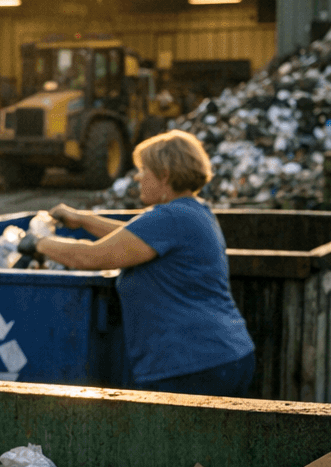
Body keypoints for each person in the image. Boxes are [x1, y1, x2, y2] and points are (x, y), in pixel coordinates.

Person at [19, 129, 256, 396]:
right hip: (221, 356)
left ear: (165, 175)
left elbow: (90, 257)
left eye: (144, 170)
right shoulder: (192, 211)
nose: (138, 177)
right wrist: (82, 219)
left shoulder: (170, 218)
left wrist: (38, 243)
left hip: (191, 366)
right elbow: (131, 236)